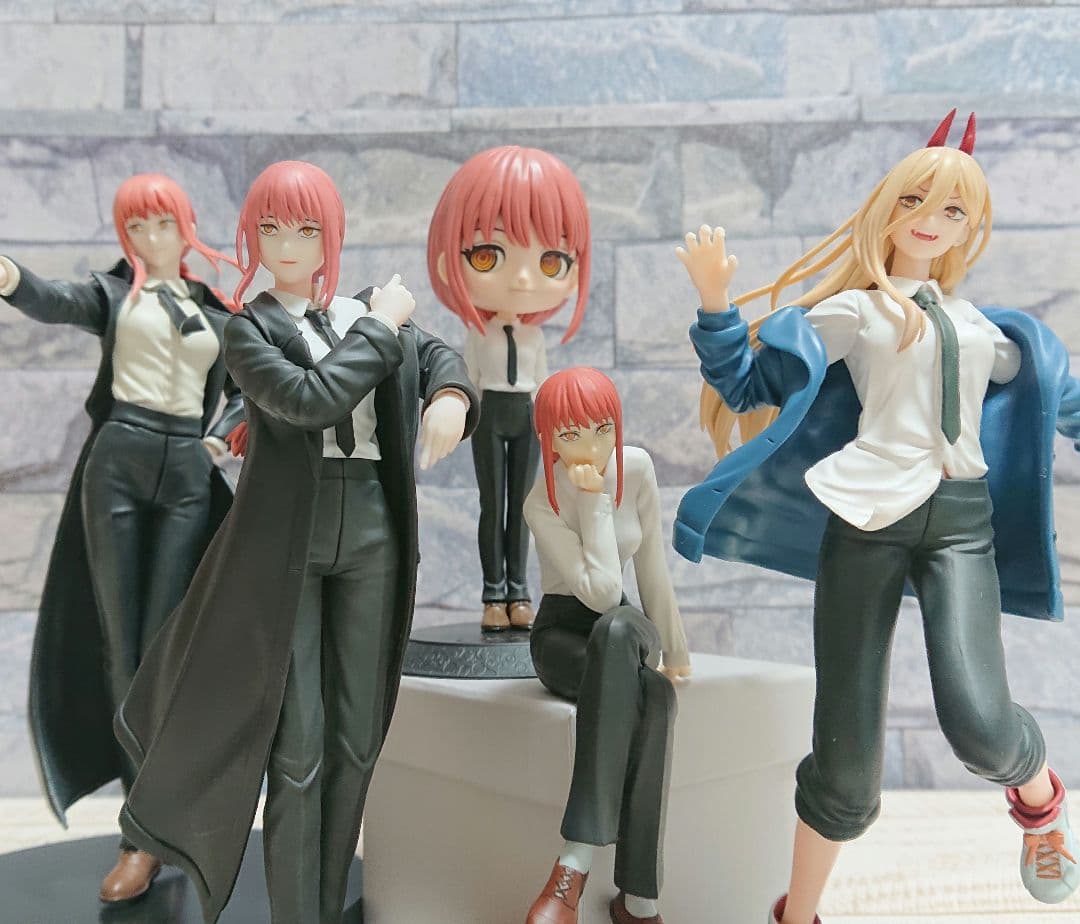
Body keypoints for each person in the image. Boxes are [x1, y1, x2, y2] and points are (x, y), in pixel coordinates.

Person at [674, 111, 1080, 924]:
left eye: (953, 210)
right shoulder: (856, 316)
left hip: (960, 526)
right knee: (847, 766)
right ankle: (798, 914)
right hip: (865, 522)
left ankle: (1041, 809)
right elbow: (749, 385)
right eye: (915, 201)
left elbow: (1063, 403)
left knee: (982, 724)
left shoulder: (989, 332)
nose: (930, 220)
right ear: (887, 208)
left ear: (970, 227)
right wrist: (715, 303)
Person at [113, 160, 480, 924]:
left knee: (357, 737)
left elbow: (438, 355)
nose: (287, 245)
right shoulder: (248, 330)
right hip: (289, 538)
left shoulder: (360, 311)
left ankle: (327, 902)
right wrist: (383, 326)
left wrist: (449, 394)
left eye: (306, 229)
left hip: (374, 530)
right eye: (270, 228)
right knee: (299, 747)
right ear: (251, 236)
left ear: (330, 236)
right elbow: (311, 400)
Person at [0, 173, 241, 903]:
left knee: (165, 648)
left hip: (187, 470)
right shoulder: (113, 296)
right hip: (119, 461)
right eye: (135, 226)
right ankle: (139, 834)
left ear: (185, 226)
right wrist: (10, 276)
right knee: (120, 644)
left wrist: (222, 439)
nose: (149, 238)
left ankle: (171, 815)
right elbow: (54, 299)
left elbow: (246, 392)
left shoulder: (219, 312)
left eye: (162, 223)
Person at [523, 366, 690, 924]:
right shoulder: (540, 501)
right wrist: (593, 500)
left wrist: (676, 651)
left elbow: (649, 568)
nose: (591, 447)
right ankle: (639, 902)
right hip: (562, 635)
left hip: (623, 625)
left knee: (618, 631)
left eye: (602, 429)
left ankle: (572, 865)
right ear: (548, 438)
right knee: (655, 699)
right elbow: (594, 590)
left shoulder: (636, 468)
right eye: (571, 435)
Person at [428, 145, 591, 632]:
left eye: (550, 261)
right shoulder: (478, 334)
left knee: (523, 507)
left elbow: (542, 385)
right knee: (491, 504)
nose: (522, 279)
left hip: (528, 417)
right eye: (488, 255)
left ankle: (519, 592)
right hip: (489, 414)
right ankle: (492, 594)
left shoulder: (534, 337)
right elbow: (468, 380)